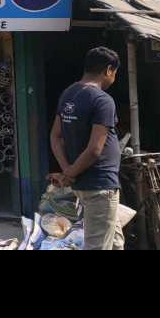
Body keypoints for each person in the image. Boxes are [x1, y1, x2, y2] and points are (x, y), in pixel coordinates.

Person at [49, 46, 124, 251]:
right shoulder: (102, 100)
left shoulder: (69, 93)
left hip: (84, 184)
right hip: (100, 185)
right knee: (98, 246)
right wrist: (70, 173)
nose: (114, 77)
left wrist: (67, 170)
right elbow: (94, 149)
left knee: (115, 243)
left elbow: (55, 136)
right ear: (109, 70)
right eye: (115, 73)